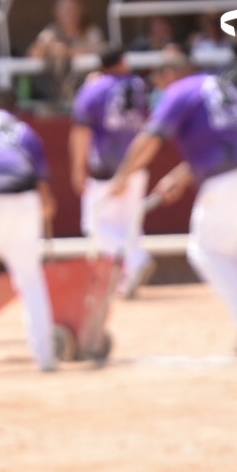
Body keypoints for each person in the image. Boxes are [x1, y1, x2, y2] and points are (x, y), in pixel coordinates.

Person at [109, 48, 237, 358]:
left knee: (206, 251)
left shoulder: (179, 90)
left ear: (170, 74)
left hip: (228, 180)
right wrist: (181, 175)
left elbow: (150, 139)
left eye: (160, 82)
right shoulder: (219, 86)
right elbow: (221, 139)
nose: (160, 91)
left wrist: (122, 177)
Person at [0, 85, 59, 372]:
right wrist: (46, 208)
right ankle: (46, 357)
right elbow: (43, 187)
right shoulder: (25, 131)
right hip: (25, 199)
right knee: (30, 279)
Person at [70, 47, 155, 298]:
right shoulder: (139, 84)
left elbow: (81, 131)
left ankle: (137, 260)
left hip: (106, 165)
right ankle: (127, 281)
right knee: (130, 225)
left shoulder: (94, 88)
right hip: (137, 163)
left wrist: (78, 168)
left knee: (93, 224)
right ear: (123, 61)